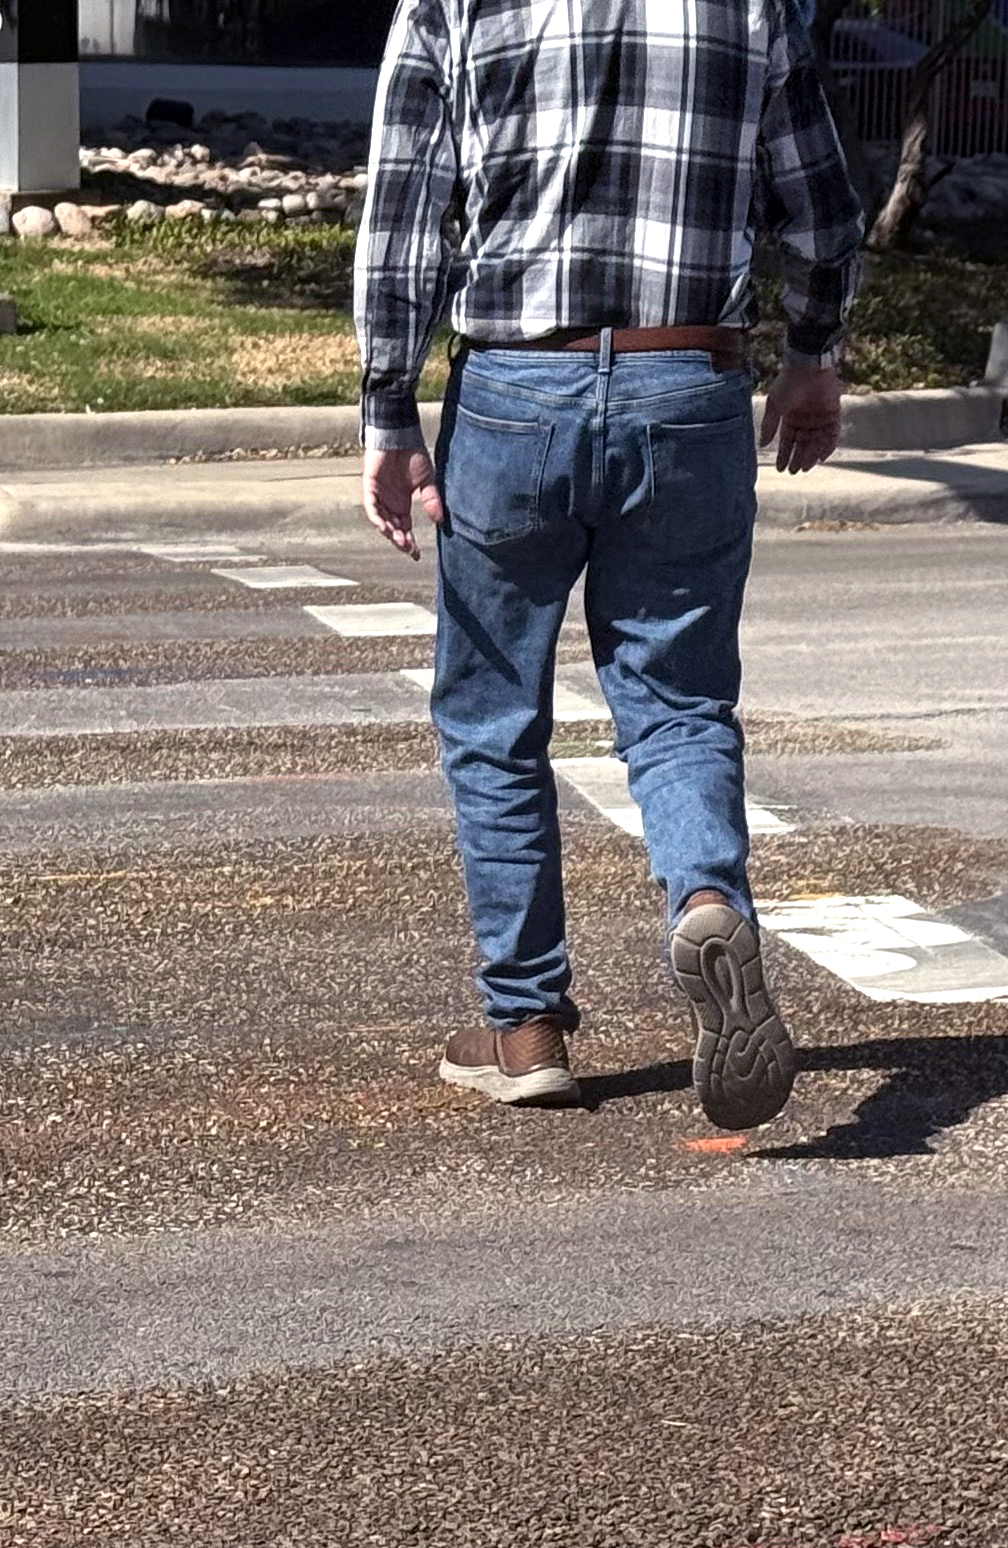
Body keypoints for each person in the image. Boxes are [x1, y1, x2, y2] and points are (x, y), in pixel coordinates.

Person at [355, 0, 866, 1128]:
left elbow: (405, 209)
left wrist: (390, 408)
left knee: (494, 717)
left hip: (512, 392)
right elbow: (824, 209)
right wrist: (814, 353)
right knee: (678, 702)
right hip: (688, 379)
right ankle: (703, 897)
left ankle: (526, 1023)